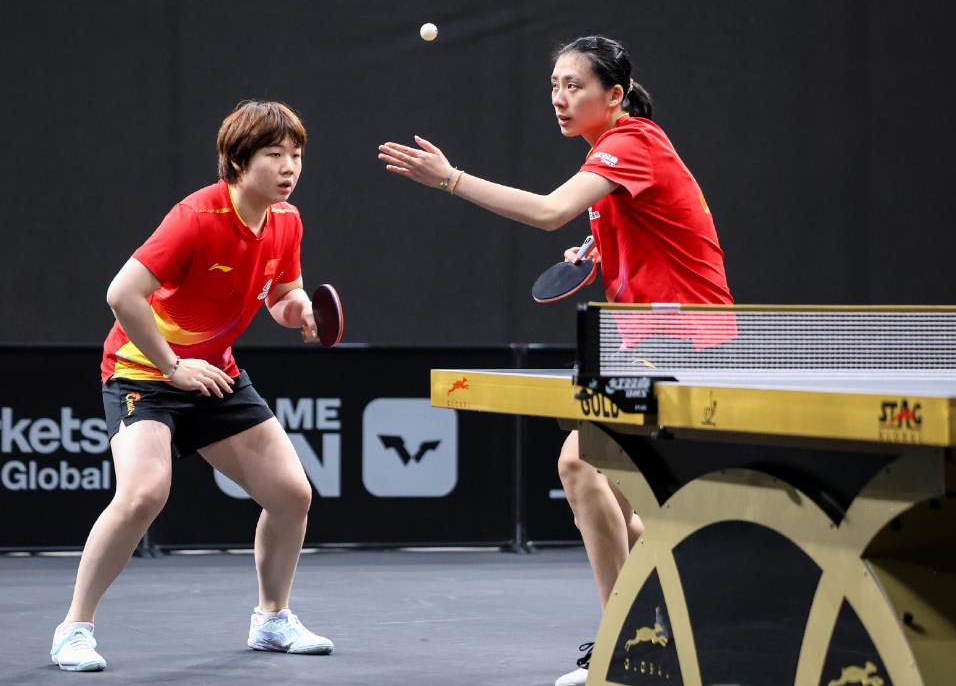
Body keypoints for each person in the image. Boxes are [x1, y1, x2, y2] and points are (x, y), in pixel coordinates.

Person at [377, 35, 732, 686]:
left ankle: (629, 647)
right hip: (652, 343)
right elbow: (652, 228)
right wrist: (599, 249)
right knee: (624, 499)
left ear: (614, 95)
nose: (559, 98)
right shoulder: (614, 159)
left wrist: (450, 179)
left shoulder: (632, 142)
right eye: (554, 86)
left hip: (684, 341)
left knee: (581, 465)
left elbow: (547, 212)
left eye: (574, 85)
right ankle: (657, 633)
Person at [50, 100, 334, 672]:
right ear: (239, 161)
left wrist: (300, 309)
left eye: (296, 155)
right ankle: (74, 628)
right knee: (143, 494)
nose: (289, 167)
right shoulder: (196, 217)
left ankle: (272, 619)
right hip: (143, 371)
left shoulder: (286, 221)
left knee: (291, 494)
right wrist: (173, 365)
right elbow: (121, 294)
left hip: (214, 371)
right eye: (274, 155)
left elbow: (281, 294)